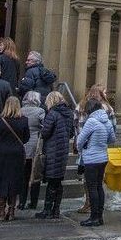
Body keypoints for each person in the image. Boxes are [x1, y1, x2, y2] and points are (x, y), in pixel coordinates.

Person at [0, 96, 30, 221]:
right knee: (14, 180)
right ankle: (11, 211)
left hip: (1, 153)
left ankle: (1, 211)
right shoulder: (24, 120)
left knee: (1, 180)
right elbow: (26, 138)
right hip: (17, 153)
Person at [75, 97, 115, 226]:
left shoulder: (91, 121)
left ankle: (94, 217)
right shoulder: (106, 121)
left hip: (91, 158)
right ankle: (99, 216)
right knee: (99, 187)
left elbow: (80, 140)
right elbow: (112, 139)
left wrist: (83, 149)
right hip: (103, 157)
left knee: (92, 187)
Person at [36, 90, 74, 219]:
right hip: (62, 150)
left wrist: (42, 129)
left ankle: (47, 210)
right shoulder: (69, 113)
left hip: (52, 150)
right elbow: (72, 133)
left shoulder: (52, 113)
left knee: (52, 181)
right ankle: (56, 209)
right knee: (57, 180)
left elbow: (45, 132)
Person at [18, 91, 46, 210]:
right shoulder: (40, 111)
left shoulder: (21, 110)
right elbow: (45, 126)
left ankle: (21, 202)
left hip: (22, 143)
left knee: (23, 175)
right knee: (35, 174)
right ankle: (33, 202)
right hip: (35, 144)